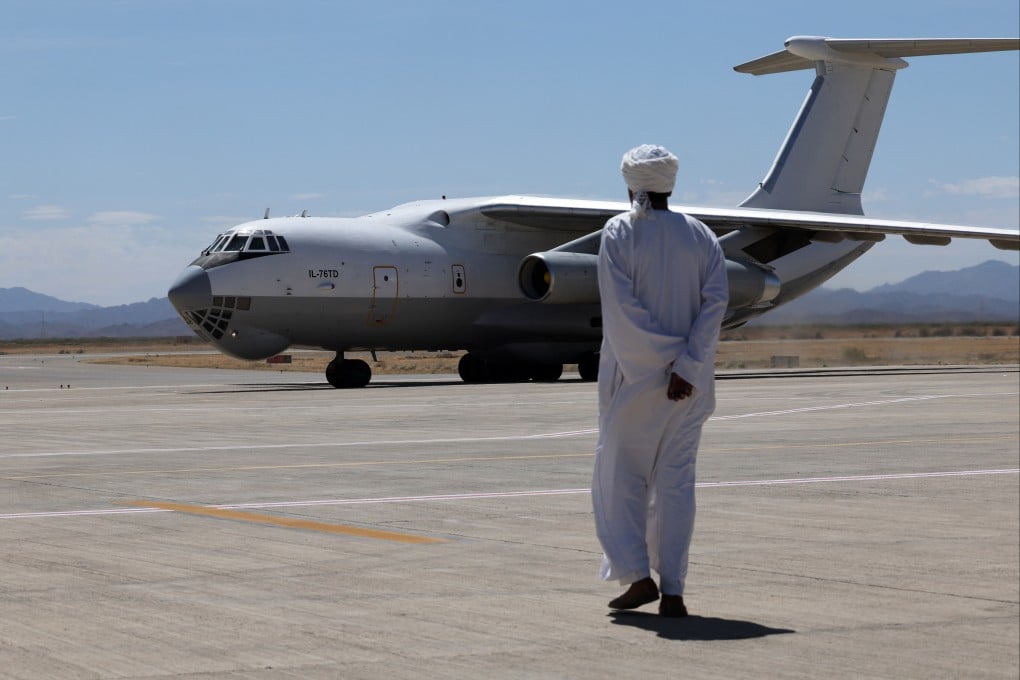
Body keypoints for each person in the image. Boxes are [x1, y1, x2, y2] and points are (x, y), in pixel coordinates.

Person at [592, 144, 729, 617]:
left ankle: (636, 576)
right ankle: (673, 590)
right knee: (675, 485)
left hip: (637, 380)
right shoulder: (702, 236)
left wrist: (660, 368)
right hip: (688, 387)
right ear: (671, 183)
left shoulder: (619, 233)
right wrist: (688, 368)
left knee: (621, 478)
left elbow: (621, 313)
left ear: (631, 183)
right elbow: (715, 307)